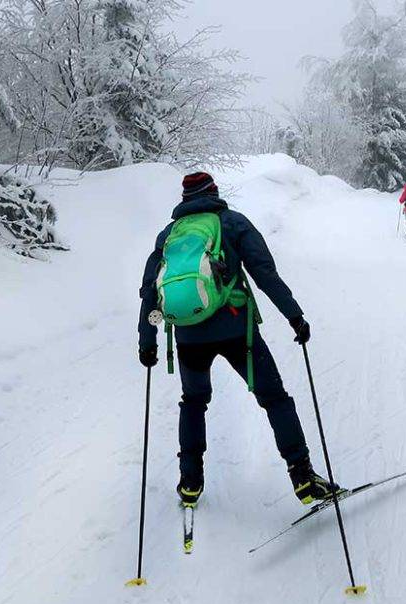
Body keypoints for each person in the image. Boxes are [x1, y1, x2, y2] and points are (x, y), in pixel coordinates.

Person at [137, 172, 339, 508]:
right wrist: (294, 316)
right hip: (236, 332)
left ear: (184, 199)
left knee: (194, 403)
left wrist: (148, 340)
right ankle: (303, 477)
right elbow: (264, 273)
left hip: (188, 336)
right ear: (213, 192)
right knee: (274, 398)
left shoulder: (168, 235)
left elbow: (151, 292)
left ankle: (190, 483)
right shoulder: (232, 222)